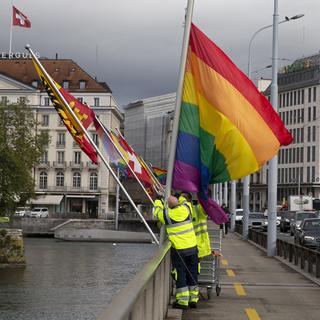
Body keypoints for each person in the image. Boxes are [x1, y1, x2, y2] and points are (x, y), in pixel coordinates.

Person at [153, 194, 199, 309]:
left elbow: (156, 212)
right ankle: (193, 299)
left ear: (169, 206)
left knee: (181, 273)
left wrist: (159, 200)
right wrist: (174, 196)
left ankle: (183, 301)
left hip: (179, 250)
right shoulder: (187, 209)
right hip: (193, 248)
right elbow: (184, 199)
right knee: (193, 272)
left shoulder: (168, 215)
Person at [179, 192, 212, 260]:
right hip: (184, 248)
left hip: (198, 248)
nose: (182, 200)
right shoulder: (178, 212)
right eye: (181, 198)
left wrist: (203, 194)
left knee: (194, 268)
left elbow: (206, 207)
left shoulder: (197, 209)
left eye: (184, 198)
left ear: (190, 200)